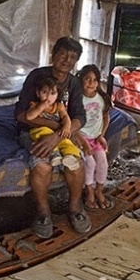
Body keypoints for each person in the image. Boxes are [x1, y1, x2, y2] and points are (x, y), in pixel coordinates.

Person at [15, 37, 90, 239]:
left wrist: (58, 135)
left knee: (76, 164)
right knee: (42, 165)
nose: (66, 60)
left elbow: (79, 116)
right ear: (53, 54)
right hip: (32, 131)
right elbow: (21, 115)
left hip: (60, 134)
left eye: (72, 57)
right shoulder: (37, 77)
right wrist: (55, 128)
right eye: (63, 54)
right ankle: (43, 212)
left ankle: (75, 207)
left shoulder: (74, 83)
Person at [75, 64, 113, 210]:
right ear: (81, 80)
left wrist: (101, 135)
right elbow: (71, 123)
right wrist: (82, 142)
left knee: (103, 162)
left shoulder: (101, 99)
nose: (91, 83)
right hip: (80, 138)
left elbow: (106, 117)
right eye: (87, 79)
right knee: (90, 163)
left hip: (95, 138)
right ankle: (89, 190)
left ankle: (99, 190)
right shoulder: (77, 99)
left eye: (95, 80)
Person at [25, 76, 82, 171]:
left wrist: (66, 127)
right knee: (45, 130)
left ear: (57, 95)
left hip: (55, 133)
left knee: (66, 141)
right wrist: (41, 107)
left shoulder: (59, 106)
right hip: (39, 132)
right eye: (44, 92)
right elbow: (29, 117)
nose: (48, 97)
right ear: (38, 93)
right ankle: (54, 154)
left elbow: (65, 117)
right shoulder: (34, 105)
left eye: (52, 93)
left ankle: (69, 156)